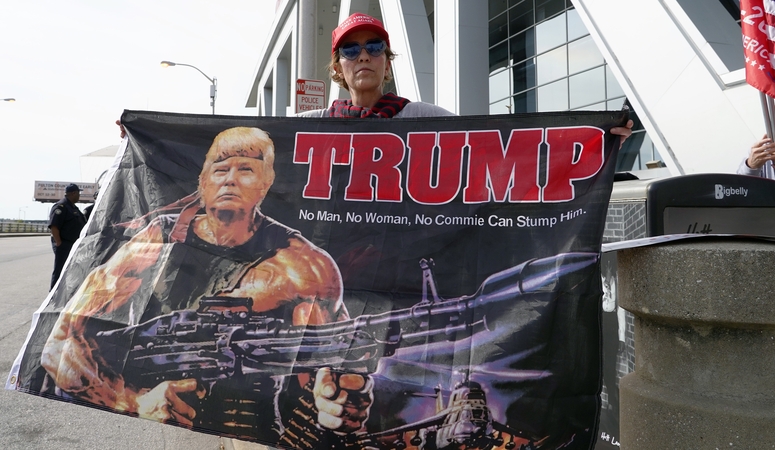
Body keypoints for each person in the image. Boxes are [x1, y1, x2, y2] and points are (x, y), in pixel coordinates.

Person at [40, 127, 371, 446]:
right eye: (220, 168)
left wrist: (340, 398)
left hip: (254, 428)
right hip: (168, 418)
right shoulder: (158, 240)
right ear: (202, 181)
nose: (229, 178)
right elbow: (59, 342)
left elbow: (337, 363)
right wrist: (134, 401)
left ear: (266, 182)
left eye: (245, 169)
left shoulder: (304, 267)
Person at [297, 11, 634, 143]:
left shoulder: (424, 118)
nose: (364, 56)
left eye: (374, 46)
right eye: (351, 51)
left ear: (387, 62)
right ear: (338, 68)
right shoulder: (312, 126)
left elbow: (502, 146)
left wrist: (593, 138)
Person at [48, 183, 87, 288]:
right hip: (64, 245)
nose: (79, 196)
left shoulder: (73, 207)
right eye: (78, 193)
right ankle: (54, 297)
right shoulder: (61, 206)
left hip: (72, 245)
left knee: (70, 272)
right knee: (60, 271)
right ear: (74, 193)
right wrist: (59, 243)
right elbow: (54, 226)